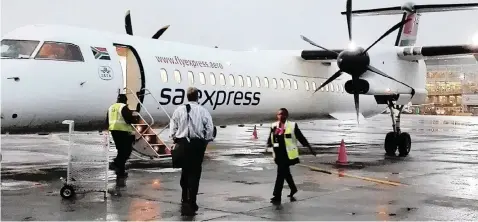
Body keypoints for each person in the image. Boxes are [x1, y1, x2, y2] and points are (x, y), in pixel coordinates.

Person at [169, 87, 214, 215]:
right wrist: (206, 140)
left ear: (187, 97)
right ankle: (192, 201)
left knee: (185, 170)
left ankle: (184, 197)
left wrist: (175, 139)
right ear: (197, 97)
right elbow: (209, 127)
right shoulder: (203, 111)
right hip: (197, 145)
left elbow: (173, 128)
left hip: (182, 143)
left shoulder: (178, 110)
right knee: (195, 172)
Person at [266, 108, 316, 205]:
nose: (281, 116)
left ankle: (277, 196)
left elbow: (301, 138)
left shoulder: (292, 125)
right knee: (285, 173)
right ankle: (293, 188)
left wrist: (310, 148)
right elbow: (271, 137)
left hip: (288, 154)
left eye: (283, 114)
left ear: (287, 116)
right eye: (279, 114)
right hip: (278, 154)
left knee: (280, 175)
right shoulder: (273, 126)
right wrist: (268, 145)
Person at [105, 94, 137, 188]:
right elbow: (128, 120)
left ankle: (121, 172)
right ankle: (115, 164)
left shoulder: (112, 107)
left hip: (114, 131)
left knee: (121, 151)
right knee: (127, 151)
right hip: (123, 132)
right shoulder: (123, 107)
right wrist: (135, 118)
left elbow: (107, 120)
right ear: (125, 100)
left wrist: (108, 129)